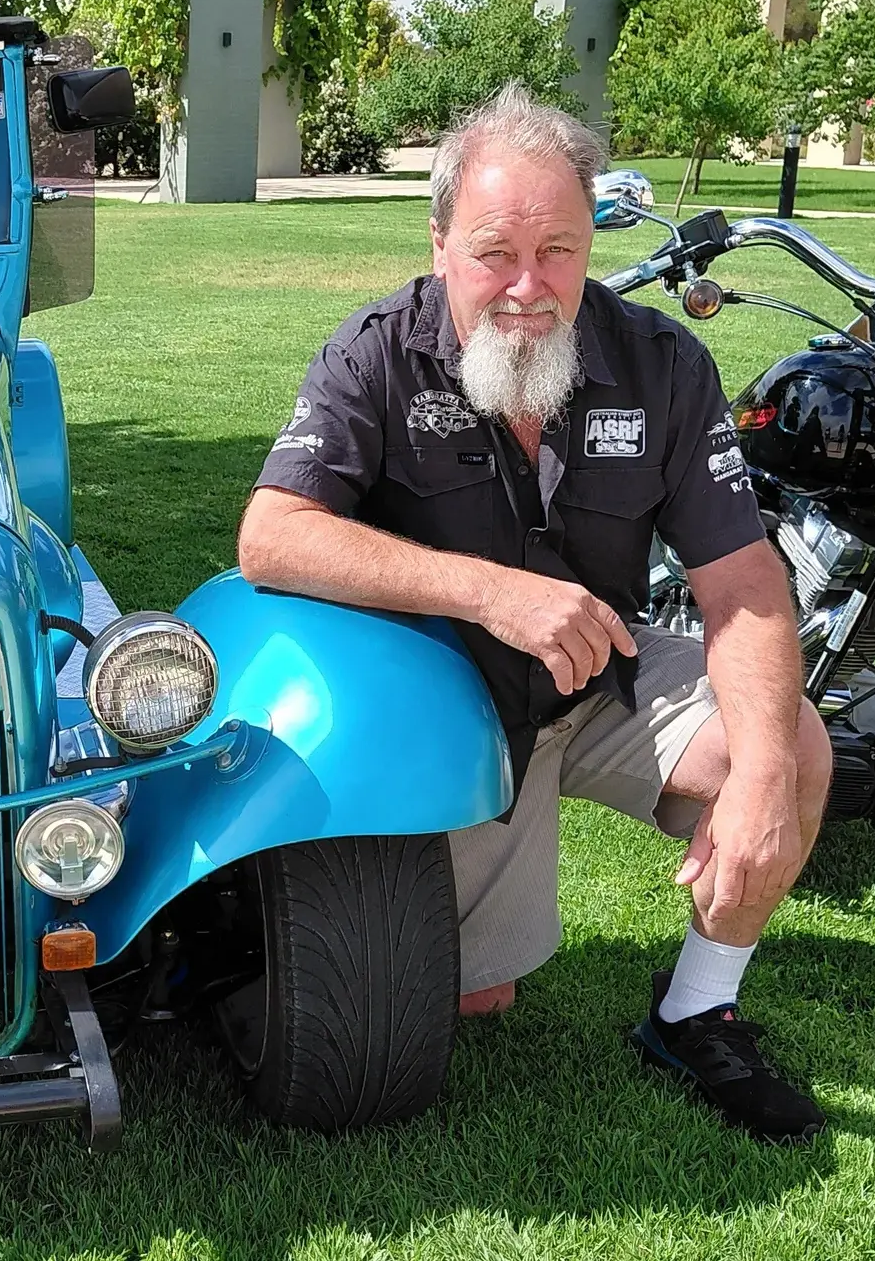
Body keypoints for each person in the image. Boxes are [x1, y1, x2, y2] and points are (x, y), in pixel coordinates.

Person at [237, 84, 833, 1143]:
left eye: (557, 251)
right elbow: (271, 535)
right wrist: (487, 590)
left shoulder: (662, 363)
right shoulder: (374, 353)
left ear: (590, 239)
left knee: (789, 743)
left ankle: (697, 1010)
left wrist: (763, 781)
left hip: (592, 680)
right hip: (438, 714)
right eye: (492, 253)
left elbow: (741, 585)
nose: (526, 287)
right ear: (437, 244)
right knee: (466, 999)